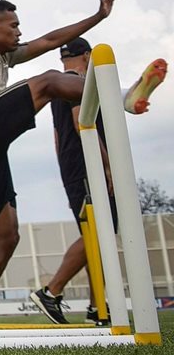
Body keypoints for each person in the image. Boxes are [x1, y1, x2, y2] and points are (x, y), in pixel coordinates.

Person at [0, 0, 119, 328]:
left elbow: (51, 40)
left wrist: (98, 17)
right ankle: (121, 95)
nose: (20, 32)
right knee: (50, 81)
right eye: (14, 26)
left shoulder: (5, 56)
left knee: (7, 234)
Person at [29, 40, 165, 324]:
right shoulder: (77, 83)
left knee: (98, 236)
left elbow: (57, 135)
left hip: (72, 166)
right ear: (89, 56)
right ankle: (50, 291)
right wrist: (106, 165)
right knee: (99, 232)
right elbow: (81, 121)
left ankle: (97, 306)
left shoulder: (57, 87)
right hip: (88, 164)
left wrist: (66, 171)